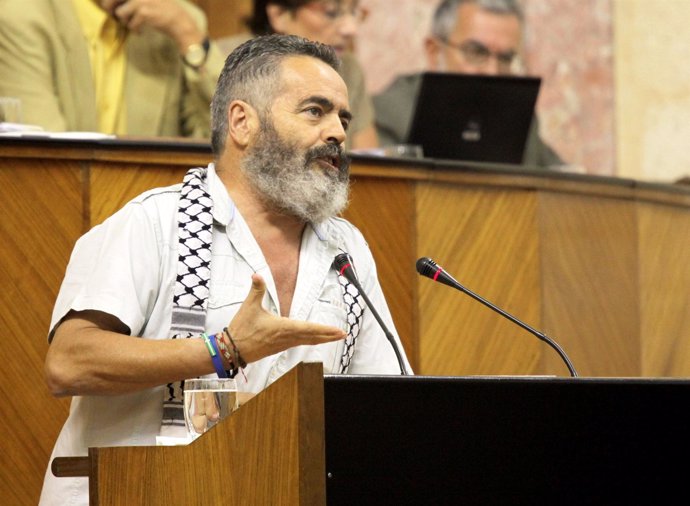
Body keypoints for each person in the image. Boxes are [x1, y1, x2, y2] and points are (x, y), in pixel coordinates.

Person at [38, 34, 411, 505]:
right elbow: (68, 363)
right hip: (133, 493)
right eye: (315, 111)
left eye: (343, 117)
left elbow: (388, 400)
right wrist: (223, 350)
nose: (337, 131)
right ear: (242, 122)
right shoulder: (156, 223)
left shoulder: (347, 248)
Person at [373, 0, 564, 168]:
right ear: (434, 51)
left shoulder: (518, 118)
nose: (492, 71)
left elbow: (565, 181)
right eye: (476, 52)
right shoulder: (390, 113)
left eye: (506, 58)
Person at [0, 0, 225, 137]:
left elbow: (221, 147)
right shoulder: (22, 16)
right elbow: (47, 158)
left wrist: (187, 34)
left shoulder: (178, 21)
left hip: (151, 206)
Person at [215, 0, 378, 151]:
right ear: (279, 14)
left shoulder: (348, 67)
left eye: (354, 12)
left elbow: (369, 165)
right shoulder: (225, 63)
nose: (350, 29)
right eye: (331, 13)